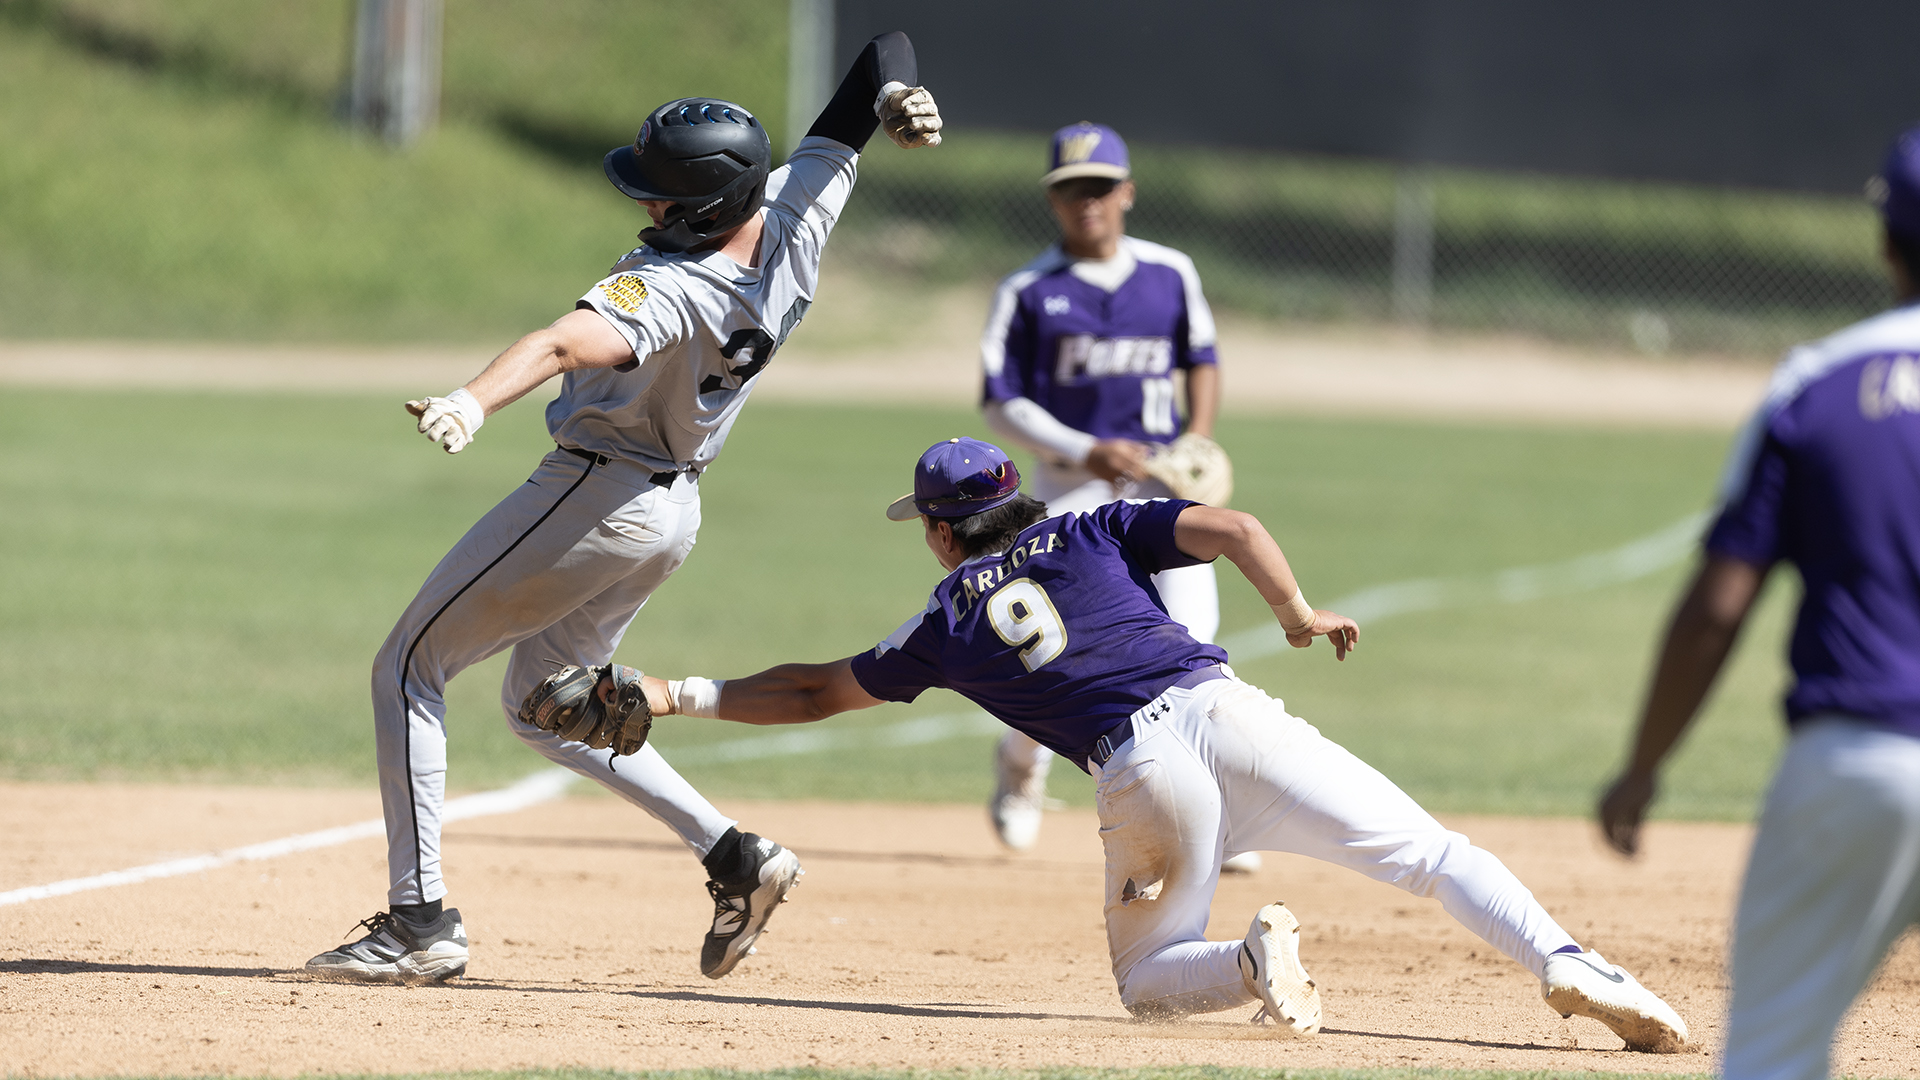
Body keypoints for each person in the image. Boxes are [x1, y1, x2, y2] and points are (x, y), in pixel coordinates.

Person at [640, 436, 1690, 1049]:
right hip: (1228, 712)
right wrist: (1297, 614)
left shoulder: (945, 621)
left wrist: (676, 692)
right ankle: (1573, 963)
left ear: (942, 532)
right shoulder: (1092, 528)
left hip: (1138, 774)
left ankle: (1247, 959)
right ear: (1020, 499)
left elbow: (818, 692)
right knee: (1434, 855)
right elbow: (1231, 529)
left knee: (1147, 988)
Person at [302, 33, 945, 985]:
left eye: (659, 195)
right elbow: (877, 56)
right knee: (542, 705)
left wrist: (473, 399)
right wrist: (900, 93)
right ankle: (736, 858)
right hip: (669, 511)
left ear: (704, 208)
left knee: (409, 666)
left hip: (593, 495)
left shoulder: (674, 286)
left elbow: (564, 342)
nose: (644, 204)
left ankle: (419, 923)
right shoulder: (797, 220)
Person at [1599, 126, 1920, 1079]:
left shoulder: (1819, 385)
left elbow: (1718, 605)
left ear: (1886, 240)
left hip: (1858, 755)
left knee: (1774, 1058)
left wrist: (1643, 766)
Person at [978, 121, 1237, 859]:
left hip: (1160, 495)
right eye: (1069, 191)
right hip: (1071, 499)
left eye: (1097, 187)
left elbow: (1202, 357)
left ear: (1125, 192)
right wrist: (1086, 449)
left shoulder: (1169, 272)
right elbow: (999, 401)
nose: (1084, 202)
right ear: (1054, 202)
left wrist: (1197, 441)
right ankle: (1020, 768)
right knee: (1047, 655)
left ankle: (1218, 814)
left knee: (1195, 648)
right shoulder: (1029, 291)